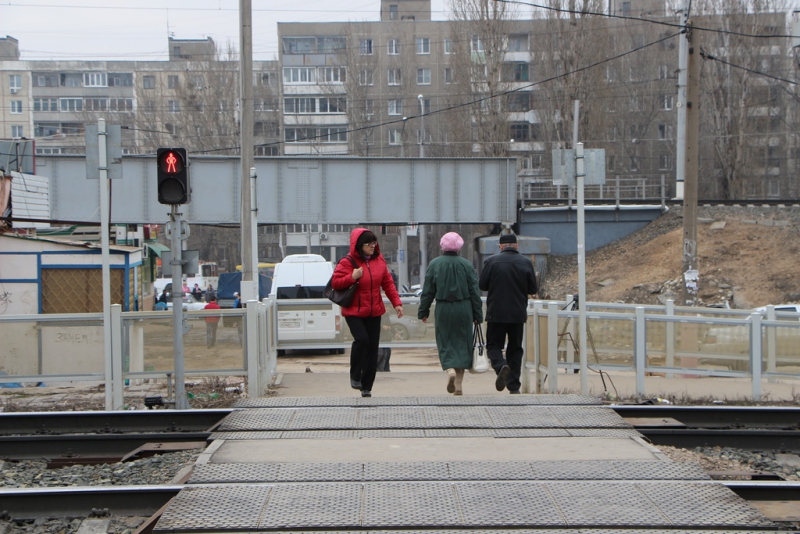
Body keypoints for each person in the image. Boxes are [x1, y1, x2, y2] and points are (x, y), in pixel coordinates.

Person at [331, 228, 403, 397]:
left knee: (373, 348)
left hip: (374, 310)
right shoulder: (347, 262)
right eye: (368, 243)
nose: (372, 246)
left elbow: (388, 284)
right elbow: (336, 283)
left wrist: (397, 303)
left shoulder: (379, 260)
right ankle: (355, 376)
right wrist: (352, 277)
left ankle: (366, 387)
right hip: (354, 311)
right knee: (362, 340)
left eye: (374, 242)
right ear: (359, 245)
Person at [418, 232, 483, 395]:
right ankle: (459, 385)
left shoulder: (435, 264)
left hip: (443, 308)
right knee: (463, 343)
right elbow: (474, 291)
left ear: (442, 245)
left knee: (445, 340)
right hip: (464, 308)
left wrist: (423, 311)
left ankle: (450, 370)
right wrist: (477, 314)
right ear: (459, 247)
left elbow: (428, 291)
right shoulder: (466, 265)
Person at [479, 233, 538, 394]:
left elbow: (482, 285)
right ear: (516, 245)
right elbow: (533, 289)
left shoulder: (491, 262)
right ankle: (514, 387)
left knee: (493, 345)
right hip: (517, 313)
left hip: (496, 312)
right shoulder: (526, 263)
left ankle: (500, 366)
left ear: (500, 246)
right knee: (515, 348)